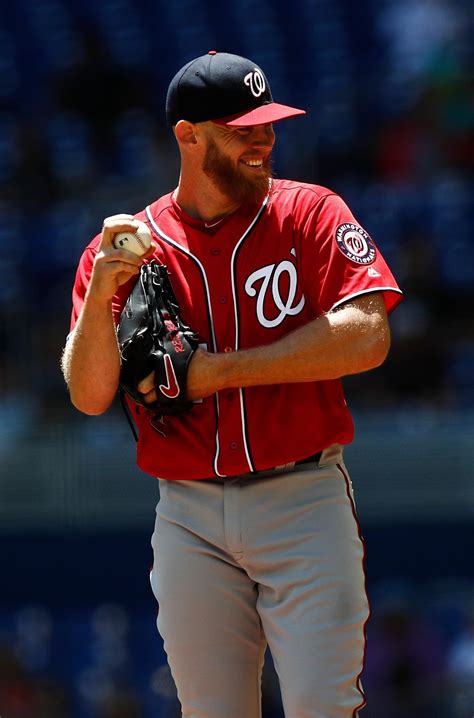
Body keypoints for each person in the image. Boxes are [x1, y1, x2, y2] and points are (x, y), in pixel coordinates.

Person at [62, 51, 403, 718]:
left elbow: (368, 334)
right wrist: (104, 283)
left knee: (321, 707)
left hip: (303, 497)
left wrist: (219, 371)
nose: (264, 138)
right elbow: (89, 394)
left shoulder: (309, 212)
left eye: (268, 124)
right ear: (188, 135)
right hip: (187, 512)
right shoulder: (131, 247)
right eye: (243, 127)